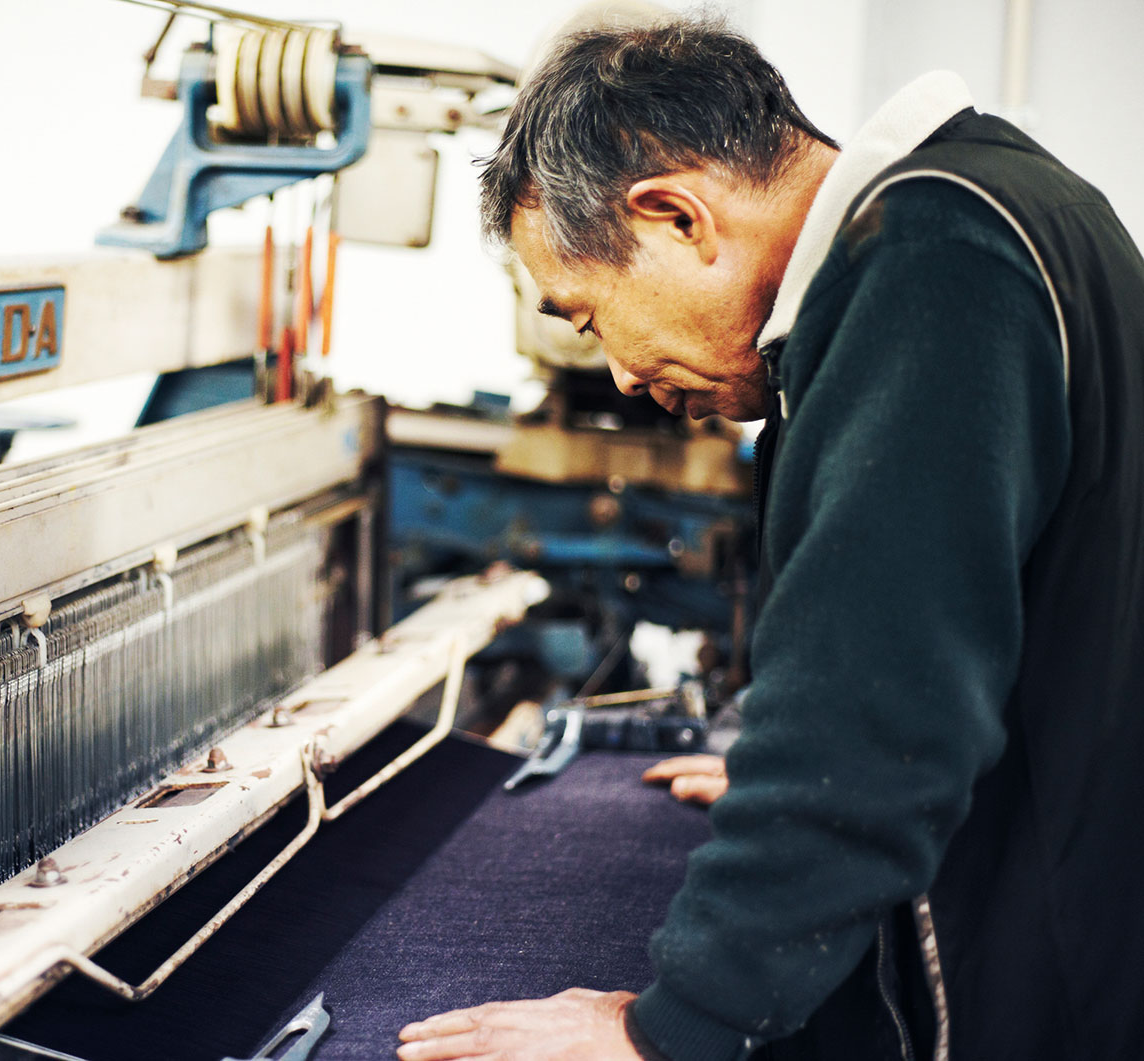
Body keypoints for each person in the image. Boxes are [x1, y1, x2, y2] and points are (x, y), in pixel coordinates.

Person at [396, 18, 1144, 1061]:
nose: (621, 375)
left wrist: (671, 1030)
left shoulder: (933, 265)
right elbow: (969, 618)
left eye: (591, 316)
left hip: (1046, 988)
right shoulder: (1003, 202)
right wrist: (789, 785)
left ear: (676, 217)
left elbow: (880, 710)